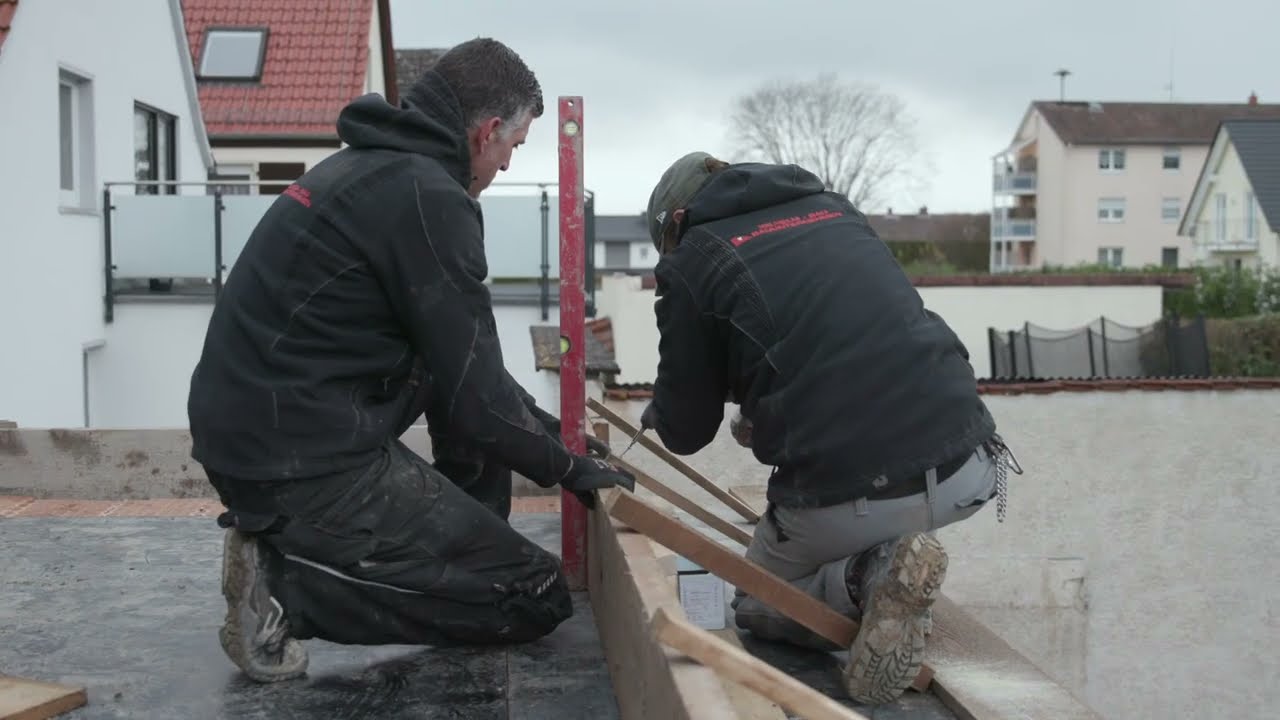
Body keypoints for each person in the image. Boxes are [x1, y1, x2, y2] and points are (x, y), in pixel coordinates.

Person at [186, 38, 634, 684]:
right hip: (298, 458)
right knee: (531, 593)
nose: (508, 165)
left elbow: (471, 375)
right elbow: (479, 402)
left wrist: (557, 438)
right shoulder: (431, 200)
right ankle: (285, 589)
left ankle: (458, 550)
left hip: (264, 432)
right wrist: (569, 469)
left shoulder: (369, 170)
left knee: (446, 379)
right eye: (514, 146)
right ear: (485, 133)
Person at [637, 152, 1020, 704]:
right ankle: (894, 571)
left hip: (855, 495)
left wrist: (662, 410)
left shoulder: (692, 260)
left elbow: (685, 432)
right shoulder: (832, 211)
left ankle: (869, 575)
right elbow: (837, 346)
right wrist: (759, 404)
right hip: (970, 466)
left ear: (675, 223)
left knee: (758, 601)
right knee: (870, 499)